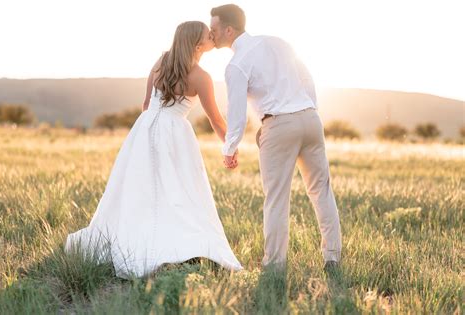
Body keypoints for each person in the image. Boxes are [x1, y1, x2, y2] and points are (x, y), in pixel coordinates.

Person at [65, 21, 242, 278]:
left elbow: (146, 103)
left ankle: (152, 236)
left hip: (145, 129)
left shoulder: (161, 62)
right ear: (196, 44)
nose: (212, 36)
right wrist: (231, 146)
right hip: (175, 135)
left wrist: (151, 129)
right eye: (208, 35)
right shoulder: (201, 77)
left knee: (141, 188)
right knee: (179, 189)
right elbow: (215, 119)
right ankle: (173, 244)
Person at [209, 4, 342, 271]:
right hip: (310, 119)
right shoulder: (277, 42)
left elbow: (236, 113)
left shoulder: (236, 65)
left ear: (228, 30)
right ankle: (332, 258)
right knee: (321, 191)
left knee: (276, 199)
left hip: (278, 126)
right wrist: (307, 107)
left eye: (213, 29)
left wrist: (229, 148)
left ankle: (274, 266)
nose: (211, 34)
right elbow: (306, 77)